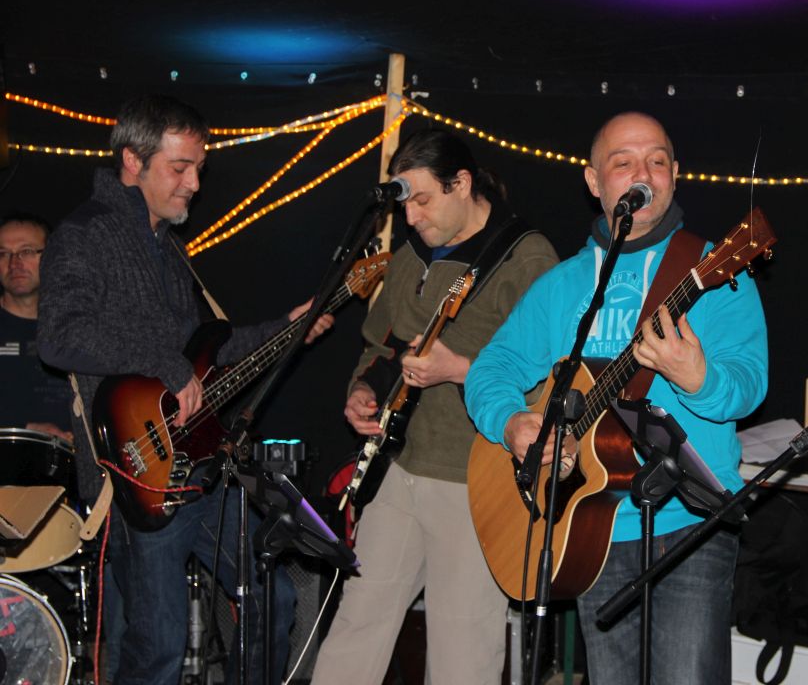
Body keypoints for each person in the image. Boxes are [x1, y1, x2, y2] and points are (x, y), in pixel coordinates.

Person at [37, 93, 332, 685]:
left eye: (199, 167)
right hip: (136, 474)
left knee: (271, 598)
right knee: (159, 647)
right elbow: (59, 337)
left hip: (198, 466)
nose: (195, 183)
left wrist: (286, 328)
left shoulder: (169, 247)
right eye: (180, 167)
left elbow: (205, 352)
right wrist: (165, 366)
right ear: (132, 161)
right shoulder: (85, 235)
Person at [464, 111, 769, 684]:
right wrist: (511, 424)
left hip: (689, 524)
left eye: (657, 160)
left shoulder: (715, 270)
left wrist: (697, 377)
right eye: (623, 162)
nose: (643, 174)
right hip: (588, 530)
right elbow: (492, 368)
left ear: (675, 173)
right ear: (593, 181)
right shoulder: (562, 285)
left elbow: (748, 387)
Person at [309, 129, 558, 685]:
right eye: (405, 204)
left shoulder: (527, 258)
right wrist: (361, 389)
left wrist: (460, 369)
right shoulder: (410, 255)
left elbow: (548, 380)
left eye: (423, 200)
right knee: (355, 626)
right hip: (398, 467)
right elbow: (380, 345)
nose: (412, 217)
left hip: (475, 476)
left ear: (461, 184)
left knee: (462, 652)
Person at [0, 212, 72, 438]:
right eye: (3, 254)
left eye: (27, 251)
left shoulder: (78, 325)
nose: (14, 263)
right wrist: (23, 429)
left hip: (77, 456)